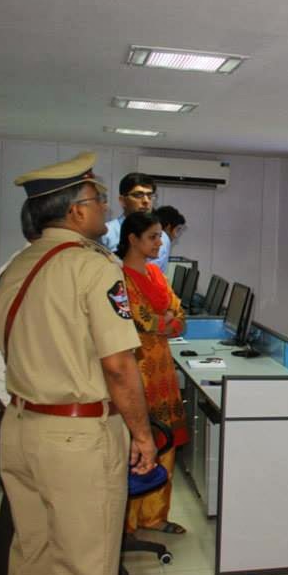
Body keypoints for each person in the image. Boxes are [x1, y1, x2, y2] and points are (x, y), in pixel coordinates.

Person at [0, 152, 156, 575]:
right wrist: (142, 434)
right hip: (76, 438)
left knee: (32, 554)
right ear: (75, 210)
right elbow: (118, 365)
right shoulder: (92, 266)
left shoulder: (16, 267)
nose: (104, 204)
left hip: (20, 426)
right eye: (96, 196)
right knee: (86, 565)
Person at [0, 204, 39, 575]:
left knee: (23, 515)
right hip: (16, 410)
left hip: (15, 407)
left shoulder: (24, 268)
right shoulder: (22, 273)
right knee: (19, 515)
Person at [117, 212, 189, 535]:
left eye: (160, 236)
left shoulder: (155, 275)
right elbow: (145, 320)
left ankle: (155, 516)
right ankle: (128, 521)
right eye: (153, 237)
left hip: (163, 369)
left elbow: (180, 314)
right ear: (133, 239)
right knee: (137, 441)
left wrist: (168, 320)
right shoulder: (121, 278)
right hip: (138, 370)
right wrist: (166, 320)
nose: (160, 242)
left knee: (166, 442)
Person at [102, 173, 171, 271]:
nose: (146, 201)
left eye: (150, 195)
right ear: (122, 201)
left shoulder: (163, 239)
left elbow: (161, 277)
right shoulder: (106, 233)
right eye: (138, 195)